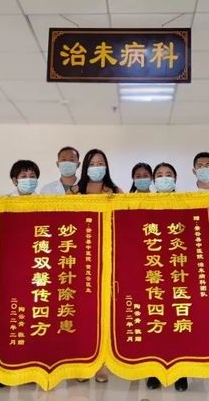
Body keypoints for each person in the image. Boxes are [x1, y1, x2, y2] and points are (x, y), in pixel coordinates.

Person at [69, 149, 121, 384]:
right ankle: (82, 364)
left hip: (107, 260)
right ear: (85, 167)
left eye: (101, 163)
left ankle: (102, 365)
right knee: (81, 314)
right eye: (93, 163)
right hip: (80, 260)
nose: (97, 167)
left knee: (105, 314)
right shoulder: (74, 192)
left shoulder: (114, 191)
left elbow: (126, 222)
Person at [0, 160, 40, 389]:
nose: (28, 179)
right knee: (7, 321)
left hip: (37, 271)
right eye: (23, 176)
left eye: (32, 175)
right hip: (9, 274)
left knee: (33, 322)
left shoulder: (45, 203)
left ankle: (30, 369)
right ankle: (2, 372)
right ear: (14, 180)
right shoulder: (3, 203)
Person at [146, 162, 188, 392]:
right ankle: (154, 371)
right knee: (156, 322)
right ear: (154, 181)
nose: (164, 178)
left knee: (179, 322)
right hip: (153, 271)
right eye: (160, 175)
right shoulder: (145, 203)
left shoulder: (186, 202)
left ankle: (180, 372)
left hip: (178, 269)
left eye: (168, 174)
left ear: (175, 178)